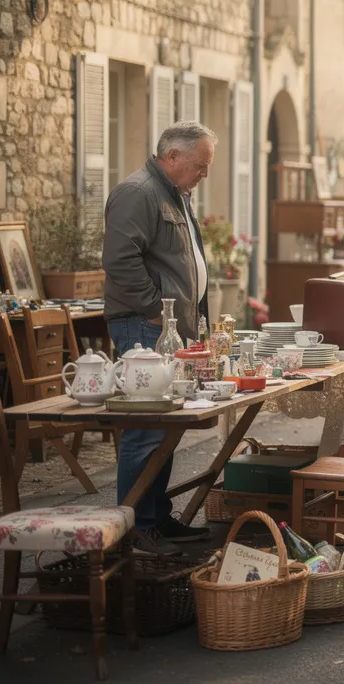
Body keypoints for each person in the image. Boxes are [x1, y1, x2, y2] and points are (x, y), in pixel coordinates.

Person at [102, 121, 216, 555]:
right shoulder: (138, 192)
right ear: (172, 156)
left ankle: (155, 518)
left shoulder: (174, 194)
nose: (204, 173)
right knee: (146, 428)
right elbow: (120, 260)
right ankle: (134, 527)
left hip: (164, 327)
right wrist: (156, 311)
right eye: (200, 165)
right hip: (143, 326)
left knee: (165, 425)